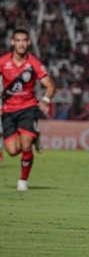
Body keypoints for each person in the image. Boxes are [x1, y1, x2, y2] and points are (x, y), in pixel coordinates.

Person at [0, 29, 55, 191]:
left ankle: (23, 181)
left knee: (25, 144)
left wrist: (45, 100)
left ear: (29, 42)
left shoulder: (34, 63)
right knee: (12, 150)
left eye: (24, 40)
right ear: (12, 42)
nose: (21, 44)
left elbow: (50, 85)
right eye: (18, 40)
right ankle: (33, 136)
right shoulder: (3, 62)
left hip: (28, 108)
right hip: (8, 110)